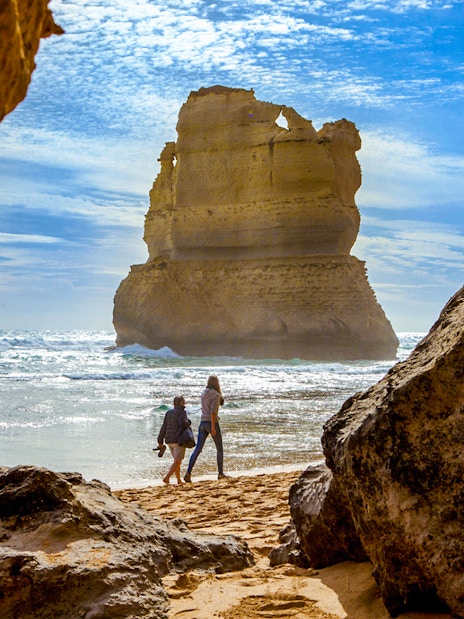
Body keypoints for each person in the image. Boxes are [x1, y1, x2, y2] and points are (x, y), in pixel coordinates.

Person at [184, 375, 226, 482]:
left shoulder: (203, 393)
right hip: (211, 423)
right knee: (219, 449)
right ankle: (220, 473)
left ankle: (188, 473)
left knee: (198, 449)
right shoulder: (216, 395)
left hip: (202, 423)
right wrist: (213, 426)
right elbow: (213, 412)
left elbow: (205, 409)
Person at [157, 395, 191, 485]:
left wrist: (160, 441)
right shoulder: (182, 412)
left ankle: (179, 480)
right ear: (181, 403)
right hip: (178, 440)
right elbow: (183, 423)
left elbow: (163, 427)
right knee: (177, 462)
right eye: (184, 401)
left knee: (176, 461)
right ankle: (167, 478)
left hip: (169, 440)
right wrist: (189, 422)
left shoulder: (169, 413)